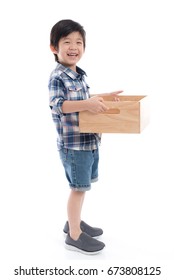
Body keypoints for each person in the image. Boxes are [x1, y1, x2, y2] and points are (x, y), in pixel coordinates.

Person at [48, 19, 123, 254]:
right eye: (67, 42)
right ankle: (74, 235)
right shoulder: (58, 76)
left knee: (83, 186)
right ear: (54, 48)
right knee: (78, 188)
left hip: (88, 140)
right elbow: (58, 105)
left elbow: (85, 99)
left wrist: (103, 96)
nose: (74, 47)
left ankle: (74, 221)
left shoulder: (78, 74)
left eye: (78, 42)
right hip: (74, 144)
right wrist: (87, 103)